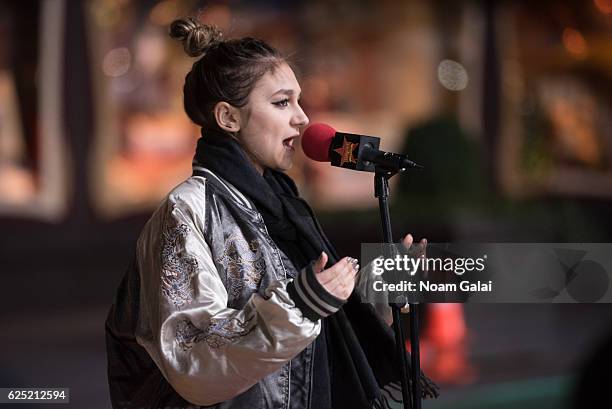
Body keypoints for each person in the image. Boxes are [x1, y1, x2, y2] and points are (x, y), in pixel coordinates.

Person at [105, 16, 438, 409]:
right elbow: (192, 357)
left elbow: (315, 336)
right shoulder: (187, 211)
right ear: (228, 117)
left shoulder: (285, 207)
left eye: (298, 100)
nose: (302, 117)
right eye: (282, 102)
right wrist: (302, 303)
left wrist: (376, 293)